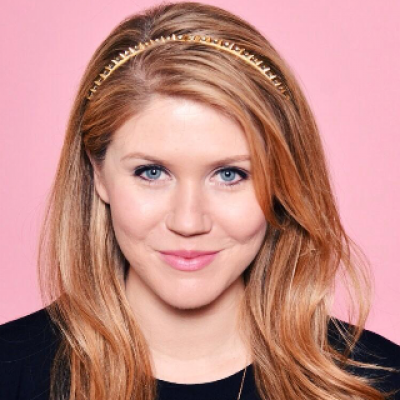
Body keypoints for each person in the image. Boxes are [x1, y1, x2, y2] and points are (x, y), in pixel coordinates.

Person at [0, 1, 399, 400]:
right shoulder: (8, 371)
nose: (188, 222)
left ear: (281, 180)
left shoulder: (379, 382)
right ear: (98, 174)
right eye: (151, 172)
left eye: (230, 175)